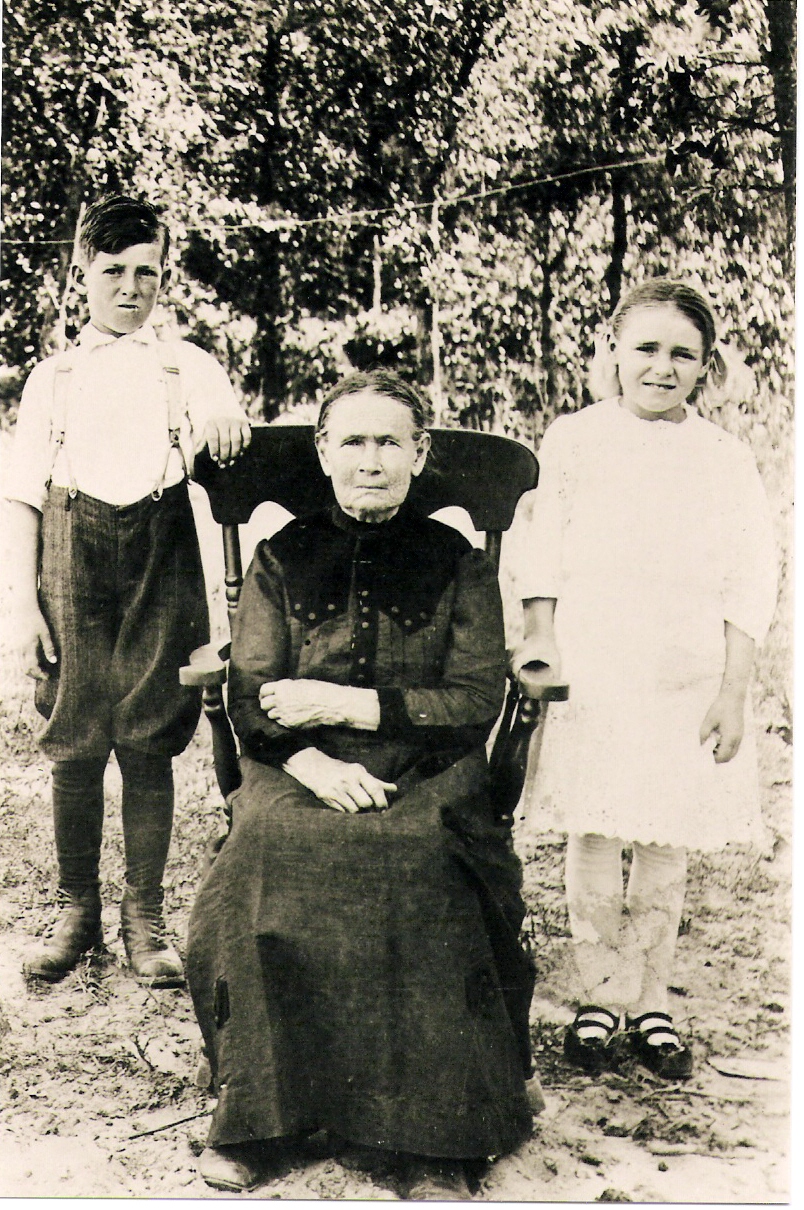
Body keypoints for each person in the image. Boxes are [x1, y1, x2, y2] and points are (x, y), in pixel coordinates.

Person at [186, 369, 537, 1198]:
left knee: (419, 863)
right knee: (264, 855)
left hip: (429, 765)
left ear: (419, 455)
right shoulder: (281, 554)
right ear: (324, 452)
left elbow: (475, 697)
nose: (370, 459)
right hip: (296, 763)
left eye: (389, 442)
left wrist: (349, 703)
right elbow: (251, 686)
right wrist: (310, 759)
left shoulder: (458, 562)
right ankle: (263, 1119)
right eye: (352, 441)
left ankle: (437, 1136)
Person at [513, 279, 777, 1080]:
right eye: (648, 349)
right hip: (596, 664)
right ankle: (601, 993)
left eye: (683, 355)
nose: (662, 368)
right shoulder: (574, 438)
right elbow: (541, 550)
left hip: (684, 672)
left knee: (663, 834)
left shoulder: (725, 459)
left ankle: (652, 996)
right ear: (614, 352)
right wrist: (542, 640)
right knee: (596, 828)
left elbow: (750, 575)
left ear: (707, 367)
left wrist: (734, 688)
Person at [4, 195, 251, 987]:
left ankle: (143, 916)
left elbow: (228, 423)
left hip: (160, 555)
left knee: (149, 735)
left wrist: (220, 409)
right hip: (71, 559)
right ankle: (76, 907)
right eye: (113, 271)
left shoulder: (187, 365)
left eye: (147, 272)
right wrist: (18, 599)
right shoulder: (55, 377)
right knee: (75, 736)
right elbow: (19, 497)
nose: (131, 288)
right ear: (82, 273)